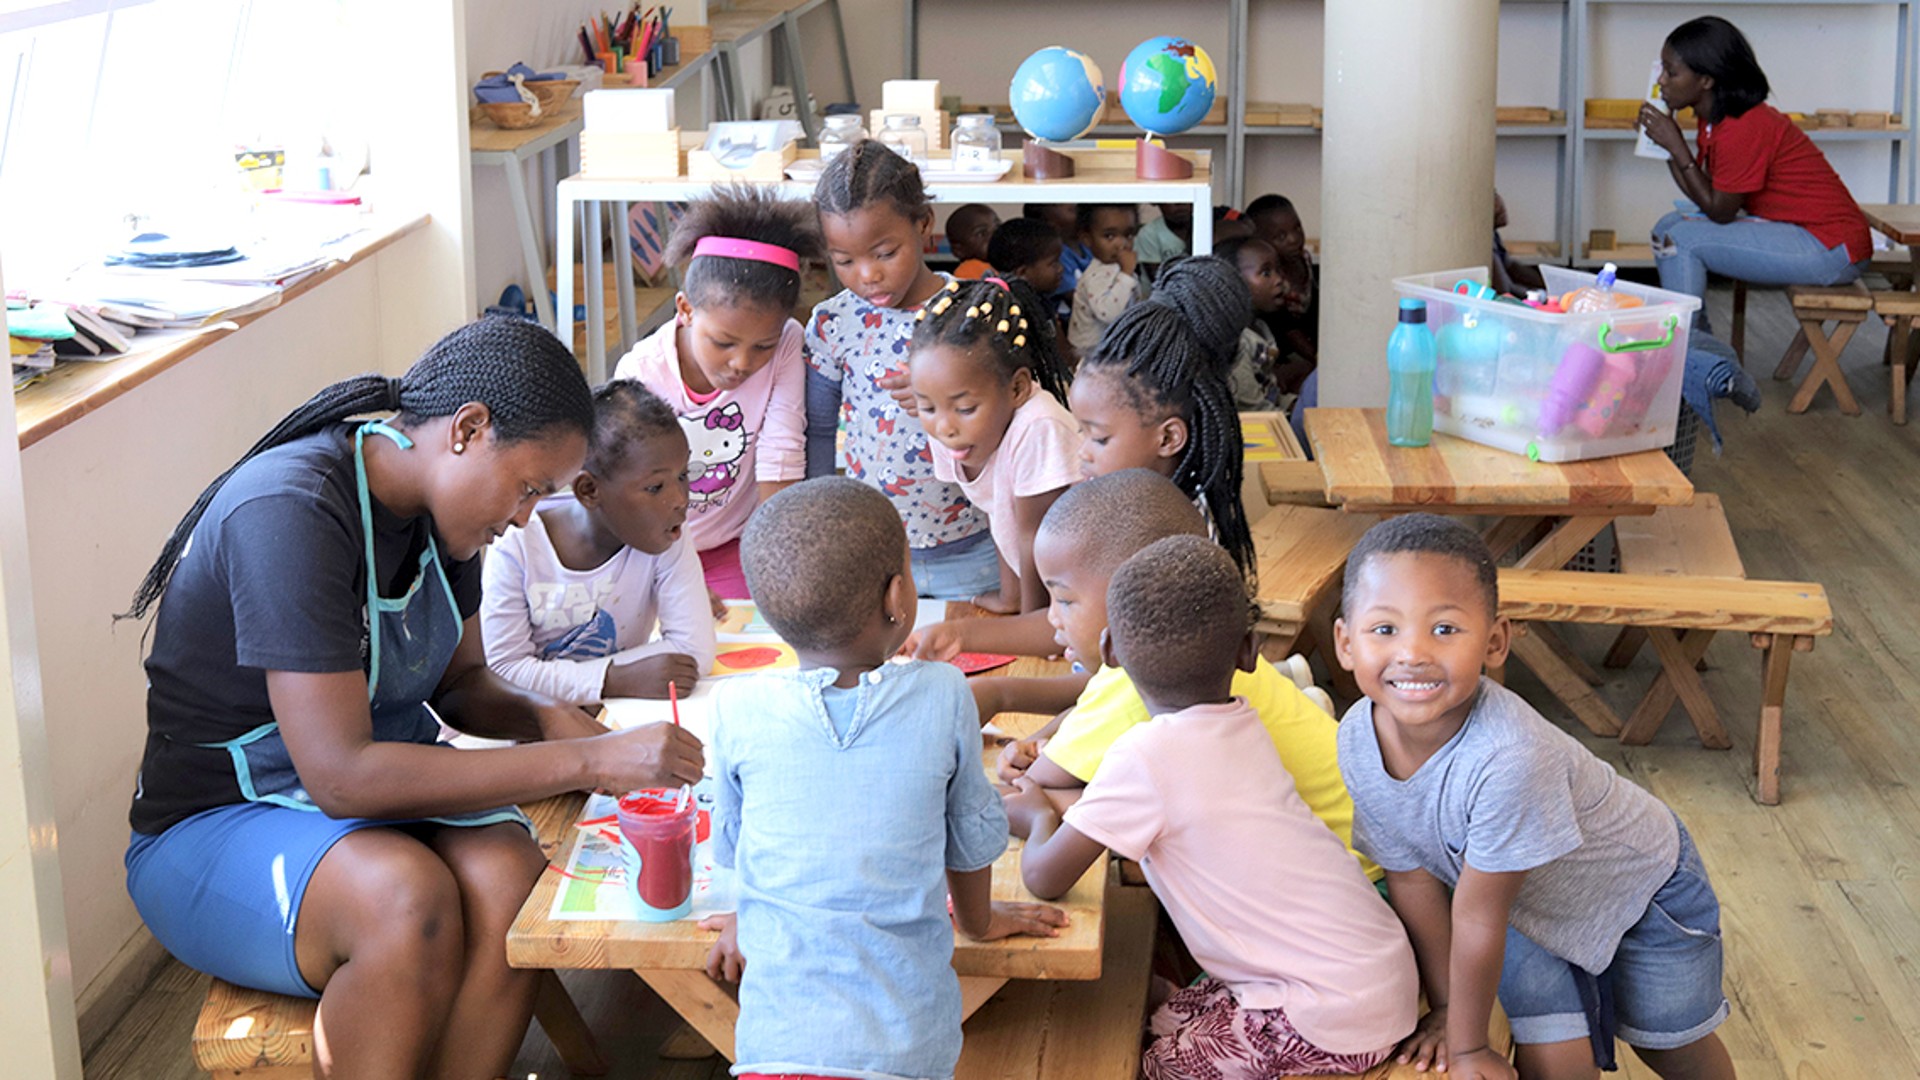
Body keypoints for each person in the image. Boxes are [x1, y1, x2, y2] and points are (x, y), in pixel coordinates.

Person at [122, 319, 706, 1078]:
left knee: (508, 875)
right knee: (403, 897)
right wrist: (584, 758)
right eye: (527, 487)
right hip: (218, 823)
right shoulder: (291, 511)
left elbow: (460, 684)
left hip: (365, 795)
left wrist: (539, 719)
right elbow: (342, 777)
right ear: (467, 430)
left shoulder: (445, 522)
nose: (526, 516)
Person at [1333, 515, 1733, 1080]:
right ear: (1345, 643)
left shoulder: (1509, 755)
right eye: (1384, 630)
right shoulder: (1356, 739)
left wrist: (1469, 1049)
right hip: (1522, 904)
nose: (1414, 653)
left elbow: (1475, 918)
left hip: (1642, 895)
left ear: (1495, 641)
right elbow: (1412, 878)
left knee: (1671, 1043)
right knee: (1554, 1060)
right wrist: (1450, 1012)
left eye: (1445, 629)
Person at [1005, 535, 1418, 1078]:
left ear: (1109, 652)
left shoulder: (1145, 755)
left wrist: (1035, 815)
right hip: (1376, 971)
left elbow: (1043, 876)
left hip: (1330, 1019)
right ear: (1249, 652)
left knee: (1149, 1065)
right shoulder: (1243, 724)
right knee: (1163, 1014)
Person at [697, 478, 1069, 1080]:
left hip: (775, 1048)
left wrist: (753, 916)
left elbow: (741, 846)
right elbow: (971, 840)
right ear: (899, 594)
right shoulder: (943, 694)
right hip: (903, 1051)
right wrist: (979, 922)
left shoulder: (737, 707)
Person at [986, 472, 1375, 886]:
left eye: (1064, 599)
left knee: (1129, 832)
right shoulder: (1202, 645)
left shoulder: (1136, 680)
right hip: (1361, 854)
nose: (1051, 617)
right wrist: (1039, 742)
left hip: (1345, 880)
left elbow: (1031, 789)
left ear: (1134, 593)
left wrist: (1041, 767)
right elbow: (1077, 726)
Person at [805, 141, 1000, 601]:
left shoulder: (976, 310)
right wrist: (820, 523)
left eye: (885, 253)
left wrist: (949, 392)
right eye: (845, 261)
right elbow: (817, 430)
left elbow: (1014, 428)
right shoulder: (833, 323)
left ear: (924, 225)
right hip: (875, 554)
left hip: (976, 554)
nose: (867, 275)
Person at [613, 185, 822, 600]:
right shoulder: (640, 372)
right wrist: (674, 572)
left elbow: (781, 454)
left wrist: (773, 565)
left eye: (761, 345)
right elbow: (627, 491)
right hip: (653, 550)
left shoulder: (787, 343)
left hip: (737, 546)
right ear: (685, 310)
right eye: (723, 342)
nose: (742, 363)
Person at [482, 380, 717, 704]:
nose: (680, 499)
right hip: (532, 727)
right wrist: (614, 679)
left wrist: (572, 682)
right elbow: (504, 671)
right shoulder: (517, 546)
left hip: (620, 713)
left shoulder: (667, 534)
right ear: (589, 491)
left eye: (682, 475)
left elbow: (694, 652)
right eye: (655, 488)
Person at [1640, 15, 1871, 332]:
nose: (1661, 81)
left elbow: (1720, 210)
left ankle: (1688, 346)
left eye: (1671, 72)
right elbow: (1707, 193)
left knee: (1678, 239)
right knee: (1667, 226)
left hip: (1832, 248)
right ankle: (1695, 342)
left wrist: (1676, 145)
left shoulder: (1743, 126)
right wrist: (1665, 146)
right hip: (1802, 232)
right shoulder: (1715, 120)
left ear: (1706, 80)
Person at [912, 277, 1081, 614]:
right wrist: (1010, 599)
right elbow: (997, 509)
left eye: (965, 408)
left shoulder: (1039, 427)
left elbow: (1036, 537)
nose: (944, 426)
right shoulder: (952, 429)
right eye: (927, 407)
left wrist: (1029, 619)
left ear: (1017, 388)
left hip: (1079, 596)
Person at [1246, 194, 1319, 377]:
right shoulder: (1272, 280)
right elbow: (1287, 329)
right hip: (1282, 352)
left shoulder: (1305, 261)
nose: (1294, 239)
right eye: (1281, 236)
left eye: (1297, 228)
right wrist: (1319, 359)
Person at [1213, 235, 1289, 411]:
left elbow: (1270, 392)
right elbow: (1254, 408)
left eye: (1278, 270)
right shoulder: (1236, 343)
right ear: (1234, 282)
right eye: (1266, 273)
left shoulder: (1261, 328)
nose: (1278, 280)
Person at [1068, 203, 1144, 356]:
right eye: (1109, 236)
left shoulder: (1117, 268)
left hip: (1110, 345)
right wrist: (1127, 274)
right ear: (1087, 239)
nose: (1121, 244)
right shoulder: (1097, 275)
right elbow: (1109, 313)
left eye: (1128, 235)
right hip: (1091, 352)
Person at [986, 216, 1066, 298]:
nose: (1060, 268)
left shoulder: (1042, 299)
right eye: (1054, 263)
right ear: (1022, 273)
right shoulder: (1017, 307)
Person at [1492, 191, 1547, 296]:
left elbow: (1511, 266)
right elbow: (1505, 290)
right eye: (1493, 198)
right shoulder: (1485, 245)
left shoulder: (1494, 235)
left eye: (1496, 195)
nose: (1499, 204)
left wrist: (1549, 284)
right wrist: (1540, 295)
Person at [1133, 201, 1194, 274]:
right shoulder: (1149, 233)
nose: (1180, 203)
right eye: (1171, 198)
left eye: (1185, 195)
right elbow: (1158, 278)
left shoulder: (1205, 228)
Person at [946, 202, 1001, 279]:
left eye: (998, 227)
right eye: (981, 233)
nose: (994, 235)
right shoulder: (967, 271)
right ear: (959, 250)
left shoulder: (1003, 264)